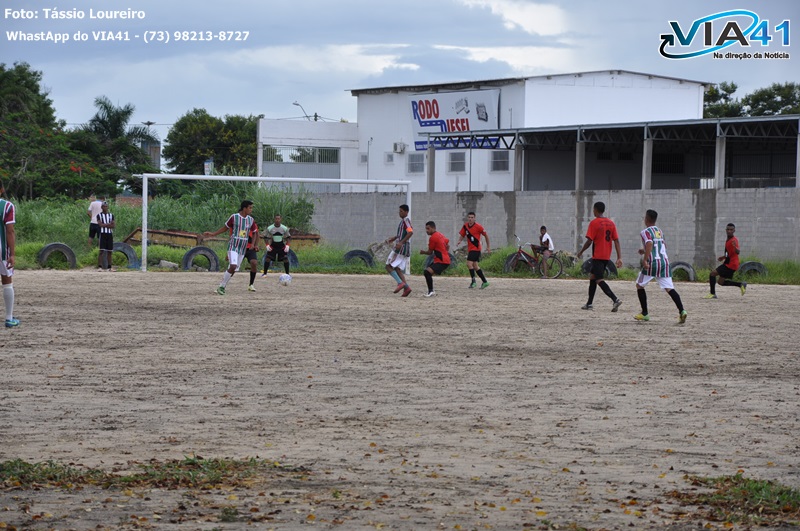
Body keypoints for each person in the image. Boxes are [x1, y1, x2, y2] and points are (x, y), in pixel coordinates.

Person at [634, 209, 687, 323]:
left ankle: (645, 313)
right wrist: (644, 251)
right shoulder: (660, 231)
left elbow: (650, 243)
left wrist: (645, 259)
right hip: (664, 263)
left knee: (639, 285)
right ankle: (682, 311)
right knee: (670, 288)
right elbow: (660, 246)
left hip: (652, 263)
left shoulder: (645, 232)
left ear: (646, 219)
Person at [577, 201, 623, 312]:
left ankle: (615, 299)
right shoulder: (611, 223)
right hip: (606, 256)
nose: (593, 211)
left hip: (598, 256)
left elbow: (589, 241)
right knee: (593, 277)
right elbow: (616, 240)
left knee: (598, 279)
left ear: (596, 210)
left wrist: (581, 251)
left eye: (593, 209)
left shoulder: (594, 223)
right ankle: (589, 304)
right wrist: (619, 257)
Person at [204, 200, 257, 295]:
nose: (251, 210)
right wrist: (213, 234)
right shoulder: (234, 217)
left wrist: (253, 244)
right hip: (234, 245)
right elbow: (225, 227)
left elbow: (255, 232)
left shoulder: (251, 220)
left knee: (233, 269)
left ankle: (222, 285)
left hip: (243, 248)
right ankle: (221, 286)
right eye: (250, 208)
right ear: (244, 208)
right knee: (233, 266)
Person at [705, 223, 746, 298]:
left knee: (712, 274)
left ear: (734, 231)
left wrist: (735, 247)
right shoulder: (728, 240)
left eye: (731, 230)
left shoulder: (734, 240)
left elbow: (738, 252)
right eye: (728, 229)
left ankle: (712, 294)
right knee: (721, 282)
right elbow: (729, 253)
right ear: (726, 230)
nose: (729, 231)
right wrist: (724, 257)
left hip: (731, 264)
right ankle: (740, 284)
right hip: (730, 263)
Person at [1, 179, 19, 328]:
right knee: (7, 281)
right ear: (1, 190)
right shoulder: (7, 206)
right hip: (2, 251)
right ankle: (9, 318)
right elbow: (10, 230)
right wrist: (12, 254)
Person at [384, 204, 413, 297]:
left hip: (402, 248)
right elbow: (403, 233)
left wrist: (401, 242)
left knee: (388, 266)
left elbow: (410, 232)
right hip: (403, 247)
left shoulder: (406, 221)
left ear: (406, 212)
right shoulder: (402, 222)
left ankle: (400, 283)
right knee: (397, 268)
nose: (399, 213)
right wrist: (395, 237)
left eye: (401, 211)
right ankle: (407, 288)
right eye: (399, 211)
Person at [456, 212, 490, 289]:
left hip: (476, 248)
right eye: (469, 217)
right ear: (467, 218)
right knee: (475, 266)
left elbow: (486, 236)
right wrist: (459, 240)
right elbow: (462, 234)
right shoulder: (465, 226)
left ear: (474, 218)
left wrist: (488, 246)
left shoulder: (479, 227)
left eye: (472, 217)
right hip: (470, 249)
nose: (470, 219)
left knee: (469, 263)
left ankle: (473, 281)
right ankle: (485, 282)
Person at [420, 221, 450, 297]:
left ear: (433, 228)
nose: (427, 230)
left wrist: (423, 252)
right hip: (443, 259)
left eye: (428, 228)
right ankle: (431, 291)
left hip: (442, 261)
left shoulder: (433, 238)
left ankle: (431, 291)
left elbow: (430, 252)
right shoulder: (440, 235)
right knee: (428, 272)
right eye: (426, 229)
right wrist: (445, 251)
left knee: (427, 272)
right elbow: (447, 244)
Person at [96, 202, 116, 271]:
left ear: (108, 207)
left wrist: (105, 224)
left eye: (106, 206)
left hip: (109, 234)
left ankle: (109, 267)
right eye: (104, 206)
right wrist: (108, 224)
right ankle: (100, 267)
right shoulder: (99, 215)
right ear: (101, 207)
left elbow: (113, 226)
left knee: (109, 251)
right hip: (102, 234)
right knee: (101, 251)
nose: (105, 208)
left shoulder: (111, 215)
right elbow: (100, 225)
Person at [244, 218, 260, 291]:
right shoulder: (240, 224)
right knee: (233, 267)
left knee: (254, 263)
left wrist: (255, 245)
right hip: (241, 247)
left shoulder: (253, 225)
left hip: (250, 248)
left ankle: (251, 285)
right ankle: (223, 284)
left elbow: (257, 235)